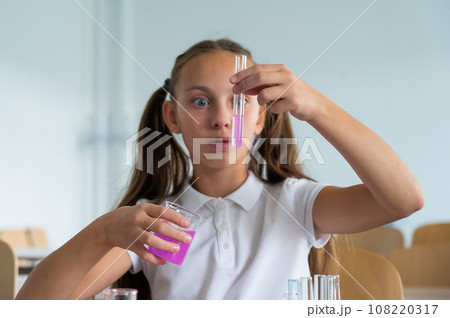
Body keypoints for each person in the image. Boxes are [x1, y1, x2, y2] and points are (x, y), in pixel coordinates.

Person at [16, 39, 424, 300]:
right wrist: (104, 231)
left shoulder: (296, 203)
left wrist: (316, 107)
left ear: (262, 119)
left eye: (239, 101)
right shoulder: (156, 224)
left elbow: (404, 199)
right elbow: (35, 307)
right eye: (199, 101)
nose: (222, 119)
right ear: (172, 118)